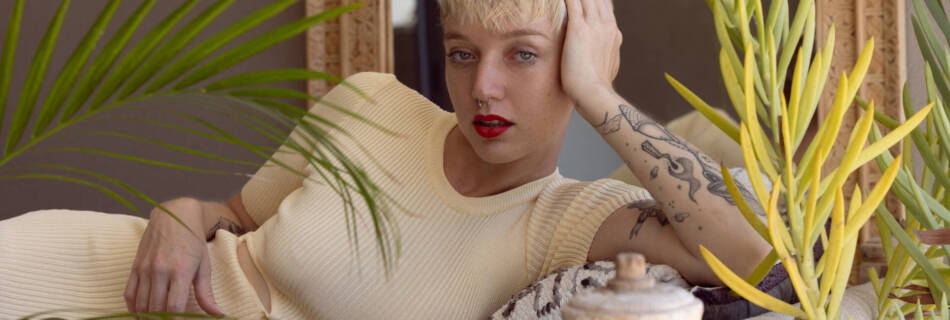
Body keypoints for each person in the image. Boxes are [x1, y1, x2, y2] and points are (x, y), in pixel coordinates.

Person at [0, 0, 771, 318]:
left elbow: (753, 256)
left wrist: (597, 95)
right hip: (85, 270)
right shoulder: (370, 100)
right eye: (463, 54)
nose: (485, 86)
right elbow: (227, 219)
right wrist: (174, 215)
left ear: (578, 66)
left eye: (525, 57)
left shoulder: (562, 221)